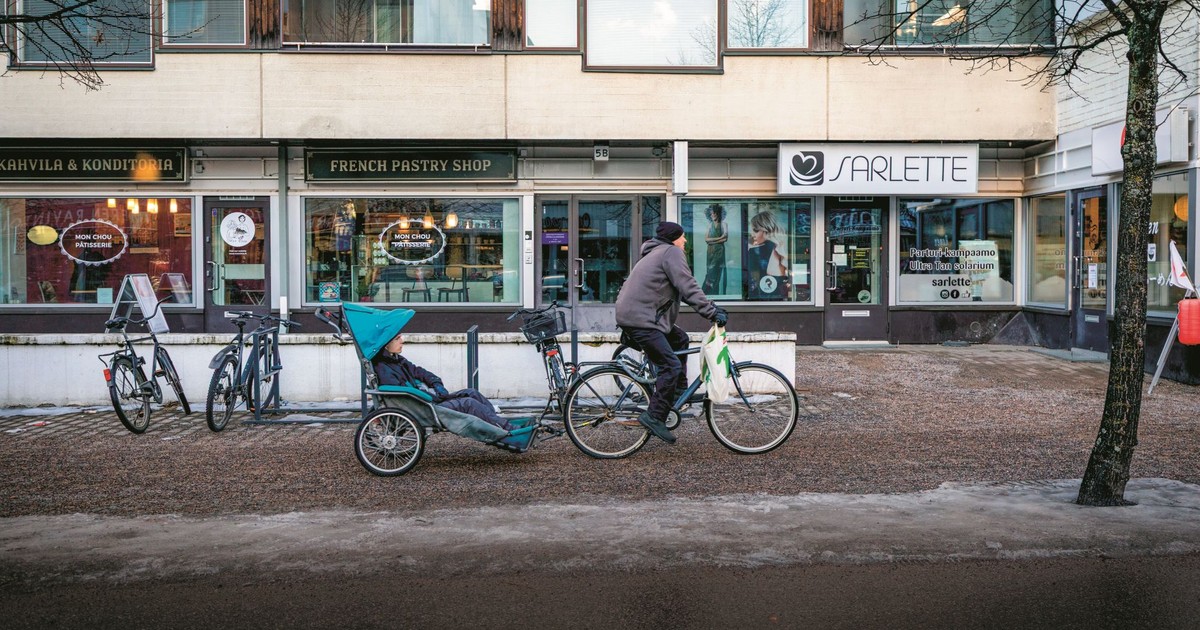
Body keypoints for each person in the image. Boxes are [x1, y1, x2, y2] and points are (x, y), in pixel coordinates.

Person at [615, 221, 726, 444]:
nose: (685, 241)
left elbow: (683, 290)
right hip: (642, 319)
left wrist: (710, 307)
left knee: (680, 339)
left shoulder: (656, 252)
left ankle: (677, 391)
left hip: (638, 316)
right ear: (674, 238)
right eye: (682, 237)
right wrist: (711, 312)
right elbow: (688, 286)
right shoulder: (670, 253)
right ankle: (654, 416)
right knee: (670, 365)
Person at [373, 332, 516, 432]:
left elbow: (419, 371)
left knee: (472, 393)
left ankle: (498, 423)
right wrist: (432, 395)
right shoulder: (384, 368)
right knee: (469, 403)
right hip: (425, 407)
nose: (402, 340)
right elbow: (403, 393)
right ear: (386, 344)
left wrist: (436, 383)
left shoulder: (397, 360)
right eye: (397, 338)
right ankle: (507, 430)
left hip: (427, 401)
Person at [745, 211, 789, 300]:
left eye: (756, 230)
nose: (752, 234)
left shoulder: (755, 251)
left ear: (766, 230)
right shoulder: (781, 247)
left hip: (761, 298)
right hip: (778, 299)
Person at [702, 204, 728, 294]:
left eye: (714, 213)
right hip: (710, 251)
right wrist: (719, 238)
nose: (712, 215)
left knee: (715, 272)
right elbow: (706, 239)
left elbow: (725, 239)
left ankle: (707, 293)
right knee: (709, 271)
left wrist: (712, 241)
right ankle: (708, 293)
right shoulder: (709, 225)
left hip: (719, 251)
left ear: (718, 214)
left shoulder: (724, 224)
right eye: (711, 214)